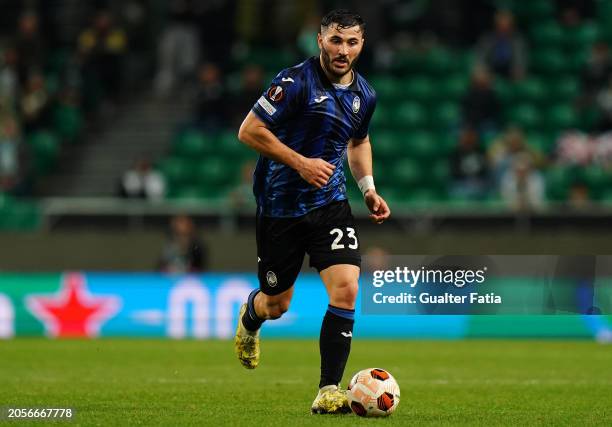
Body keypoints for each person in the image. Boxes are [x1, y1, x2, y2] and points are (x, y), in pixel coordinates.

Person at [233, 9, 390, 414]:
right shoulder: (294, 82)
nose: (343, 50)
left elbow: (358, 142)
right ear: (320, 40)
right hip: (280, 208)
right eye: (336, 40)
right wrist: (300, 162)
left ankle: (328, 389)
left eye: (352, 42)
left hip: (329, 205)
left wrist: (368, 188)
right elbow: (248, 130)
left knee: (347, 288)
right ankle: (251, 316)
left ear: (362, 45)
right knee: (277, 304)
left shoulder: (365, 95)